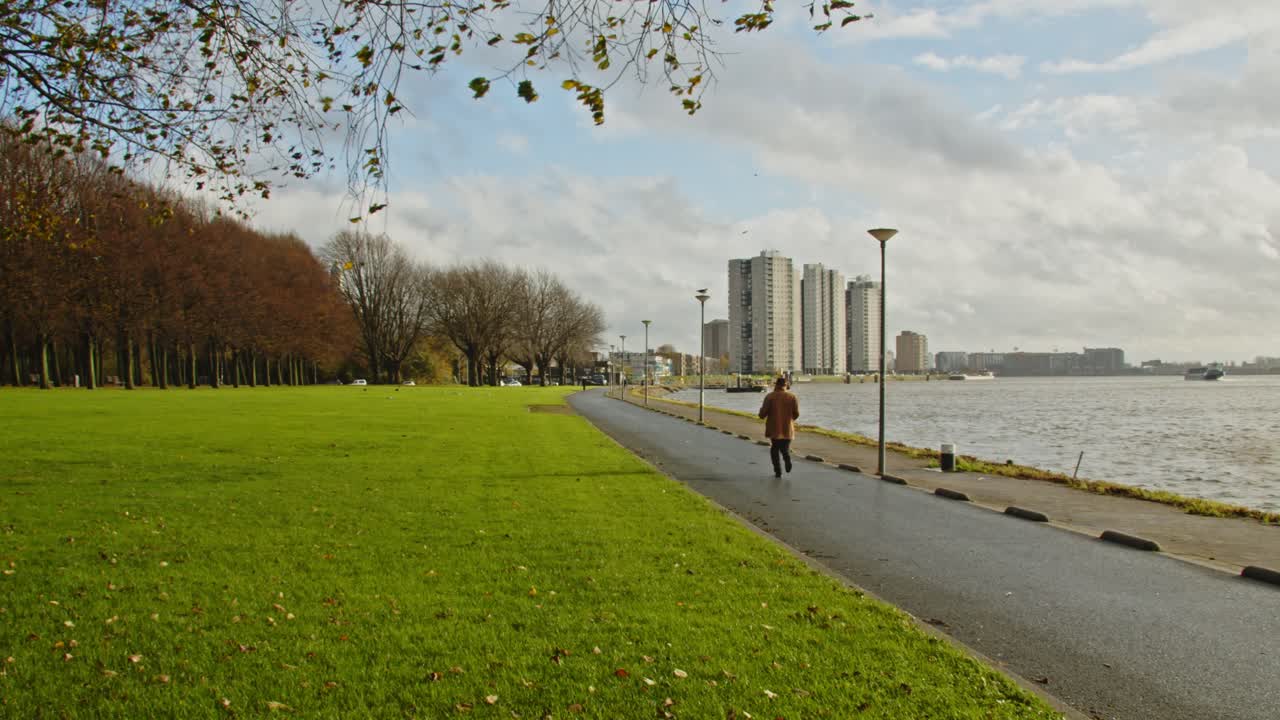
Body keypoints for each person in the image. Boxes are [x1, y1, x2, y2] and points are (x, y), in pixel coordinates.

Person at [758, 376, 800, 478]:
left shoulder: (770, 397)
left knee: (775, 448)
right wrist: (789, 420)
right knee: (785, 447)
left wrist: (761, 413)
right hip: (787, 427)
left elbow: (763, 414)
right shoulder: (792, 397)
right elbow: (796, 413)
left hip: (774, 427)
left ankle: (778, 471)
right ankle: (787, 458)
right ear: (786, 385)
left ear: (776, 385)